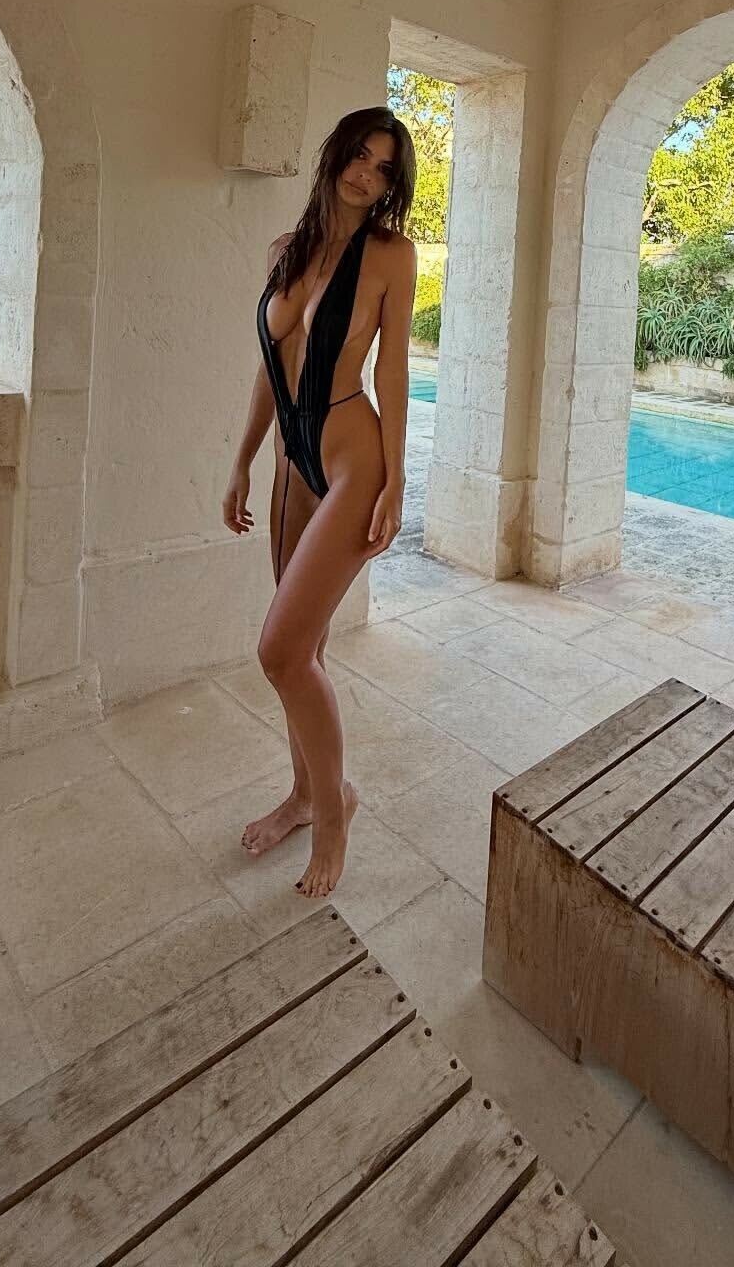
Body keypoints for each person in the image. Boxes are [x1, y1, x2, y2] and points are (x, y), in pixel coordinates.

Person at [223, 106, 418, 899]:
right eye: (359, 155)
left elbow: (394, 369)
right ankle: (304, 795)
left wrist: (397, 479)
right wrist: (241, 462)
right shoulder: (285, 251)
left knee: (280, 653)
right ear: (336, 154)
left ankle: (335, 812)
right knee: (304, 651)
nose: (366, 173)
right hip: (289, 462)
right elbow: (271, 368)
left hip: (350, 460)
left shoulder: (391, 255)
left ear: (392, 184)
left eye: (384, 167)